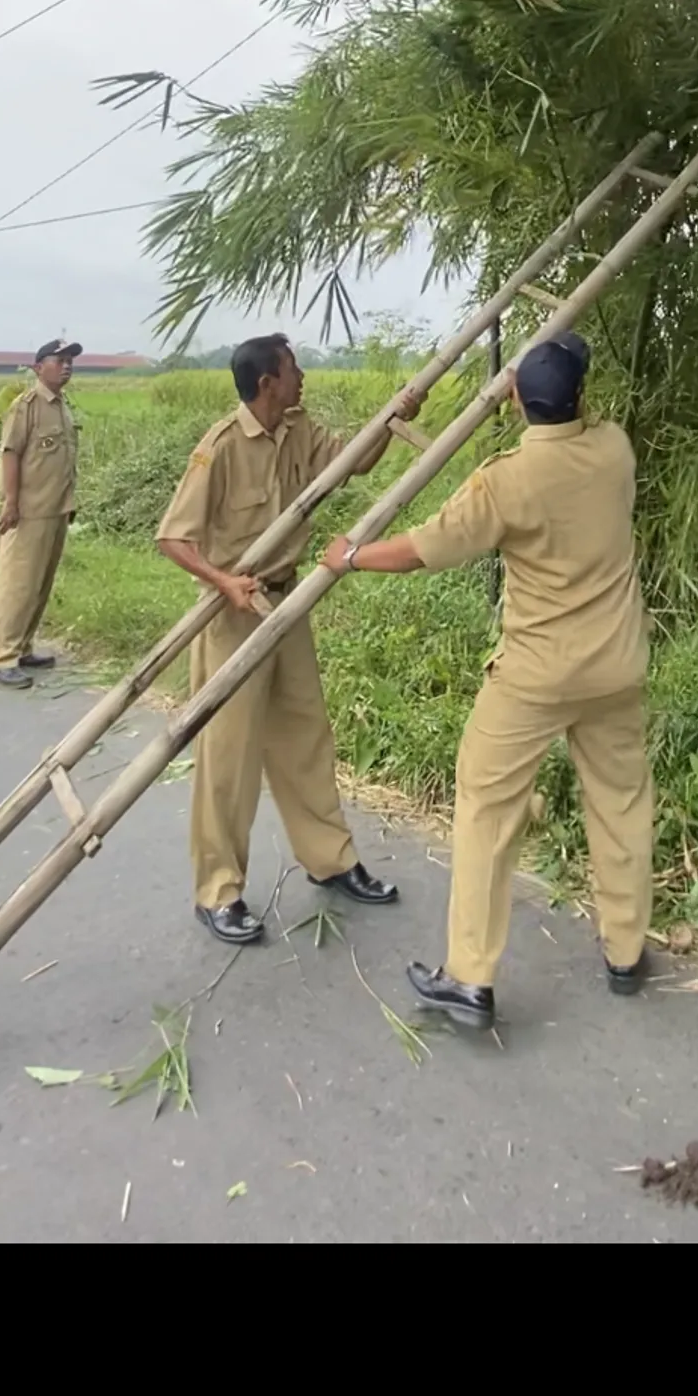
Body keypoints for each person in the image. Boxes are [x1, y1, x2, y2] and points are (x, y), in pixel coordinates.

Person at [322, 331, 654, 1030]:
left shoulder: (506, 480)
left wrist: (350, 555)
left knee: (485, 809)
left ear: (513, 403)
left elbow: (421, 550)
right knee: (621, 802)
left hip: (536, 675)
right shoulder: (615, 450)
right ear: (582, 399)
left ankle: (470, 977)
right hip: (616, 667)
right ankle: (626, 952)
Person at [157, 331, 423, 945]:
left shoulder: (299, 428)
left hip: (288, 600)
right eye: (293, 366)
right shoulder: (220, 447)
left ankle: (331, 861)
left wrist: (394, 417)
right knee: (230, 757)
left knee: (305, 735)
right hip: (234, 612)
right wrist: (223, 582)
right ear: (266, 384)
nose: (302, 374)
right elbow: (174, 538)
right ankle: (218, 891)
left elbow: (356, 460)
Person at [0, 337, 83, 688]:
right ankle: (1, 660)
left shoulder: (61, 405)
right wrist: (11, 503)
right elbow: (10, 453)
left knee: (40, 585)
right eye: (59, 360)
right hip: (28, 511)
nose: (67, 365)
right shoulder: (25, 406)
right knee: (19, 585)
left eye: (70, 360)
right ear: (39, 367)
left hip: (56, 509)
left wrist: (69, 503)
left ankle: (23, 648)